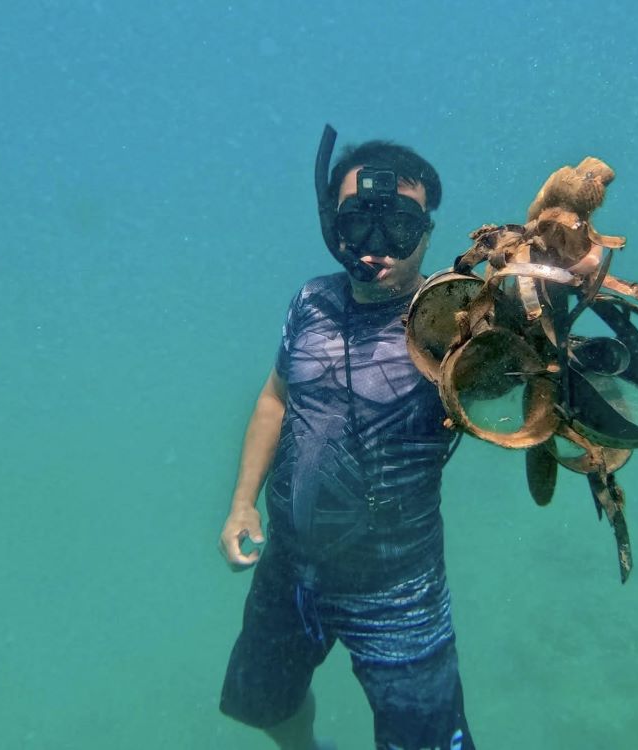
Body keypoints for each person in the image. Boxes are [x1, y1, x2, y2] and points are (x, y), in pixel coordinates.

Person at [217, 127, 475, 750]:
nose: (376, 249)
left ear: (429, 234)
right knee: (264, 703)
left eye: (400, 229)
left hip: (398, 594)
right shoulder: (312, 302)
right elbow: (275, 400)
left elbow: (529, 372)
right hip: (290, 570)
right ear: (333, 226)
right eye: (359, 225)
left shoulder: (458, 325)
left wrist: (556, 289)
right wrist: (242, 502)